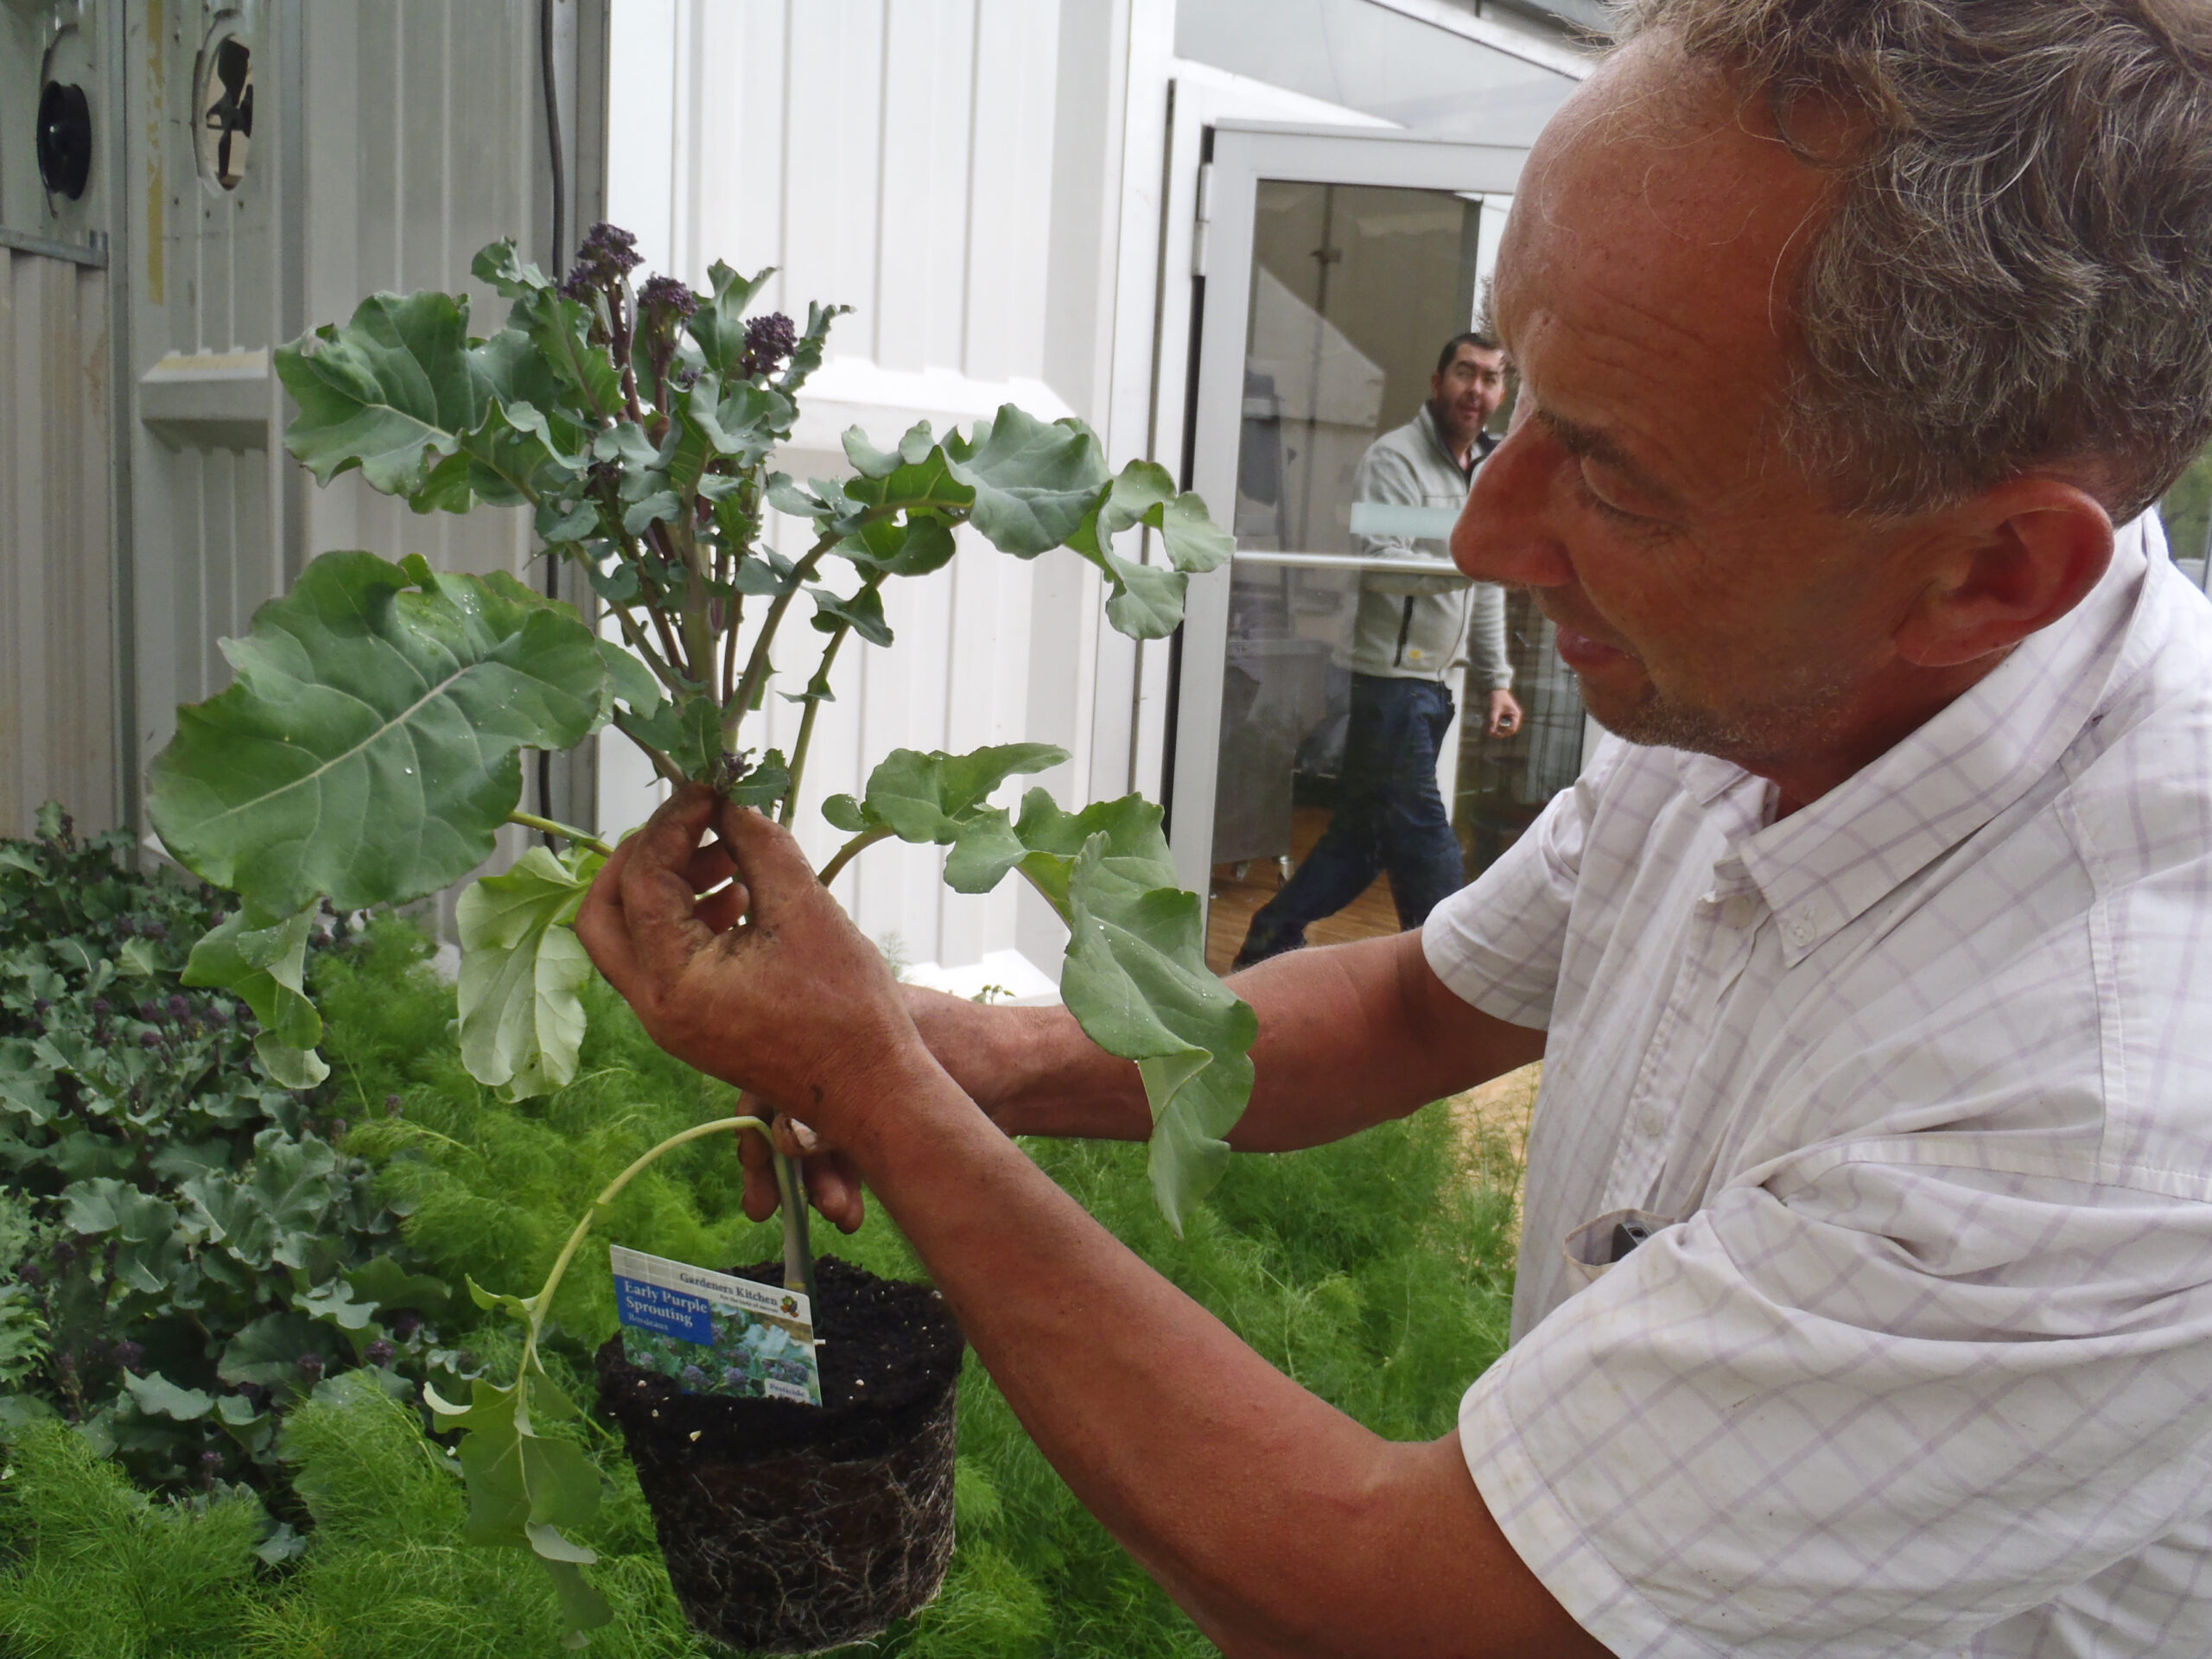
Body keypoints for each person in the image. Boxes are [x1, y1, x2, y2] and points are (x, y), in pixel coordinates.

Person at [577, 3, 2212, 1652]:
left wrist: (875, 1088)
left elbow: (1386, 1606)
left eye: (1618, 478)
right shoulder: (1776, 690)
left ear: (1990, 574)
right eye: (1519, 397)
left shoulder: (2112, 1106)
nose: (1484, 538)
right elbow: (1418, 1002)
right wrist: (949, 1054)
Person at [1234, 334, 1523, 967]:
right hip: (1387, 684)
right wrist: (1469, 557)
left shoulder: (1486, 470)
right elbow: (1379, 562)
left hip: (1435, 686)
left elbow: (1488, 583)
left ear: (1503, 393)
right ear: (1437, 379)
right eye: (1465, 373)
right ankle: (1448, 968)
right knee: (1424, 837)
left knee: (1360, 840)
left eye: (1493, 378)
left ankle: (1268, 935)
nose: (1477, 390)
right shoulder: (1392, 462)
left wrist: (1497, 678)